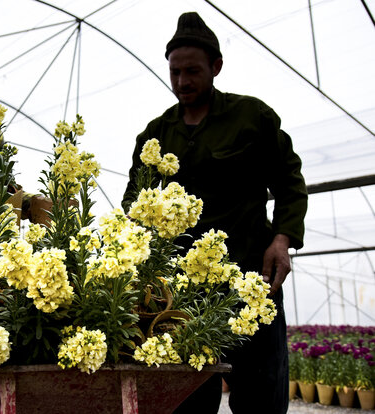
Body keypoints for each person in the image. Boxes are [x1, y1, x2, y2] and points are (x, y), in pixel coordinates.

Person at [122, 12, 308, 414]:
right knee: (187, 398)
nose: (182, 82)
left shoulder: (251, 118)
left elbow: (290, 181)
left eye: (192, 71)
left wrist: (282, 239)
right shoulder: (156, 134)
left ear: (216, 68)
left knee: (262, 394)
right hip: (182, 295)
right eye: (174, 72)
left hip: (252, 281)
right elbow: (133, 207)